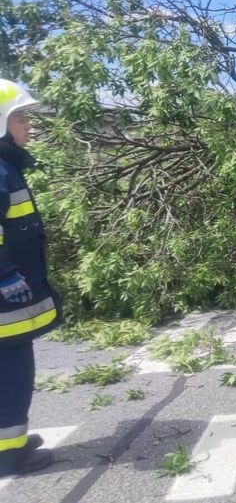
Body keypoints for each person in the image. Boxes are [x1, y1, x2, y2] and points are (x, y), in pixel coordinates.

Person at [0, 79, 61, 476]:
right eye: (20, 117)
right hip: (5, 295)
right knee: (12, 370)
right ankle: (10, 452)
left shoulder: (6, 166)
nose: (28, 125)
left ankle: (10, 440)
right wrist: (5, 275)